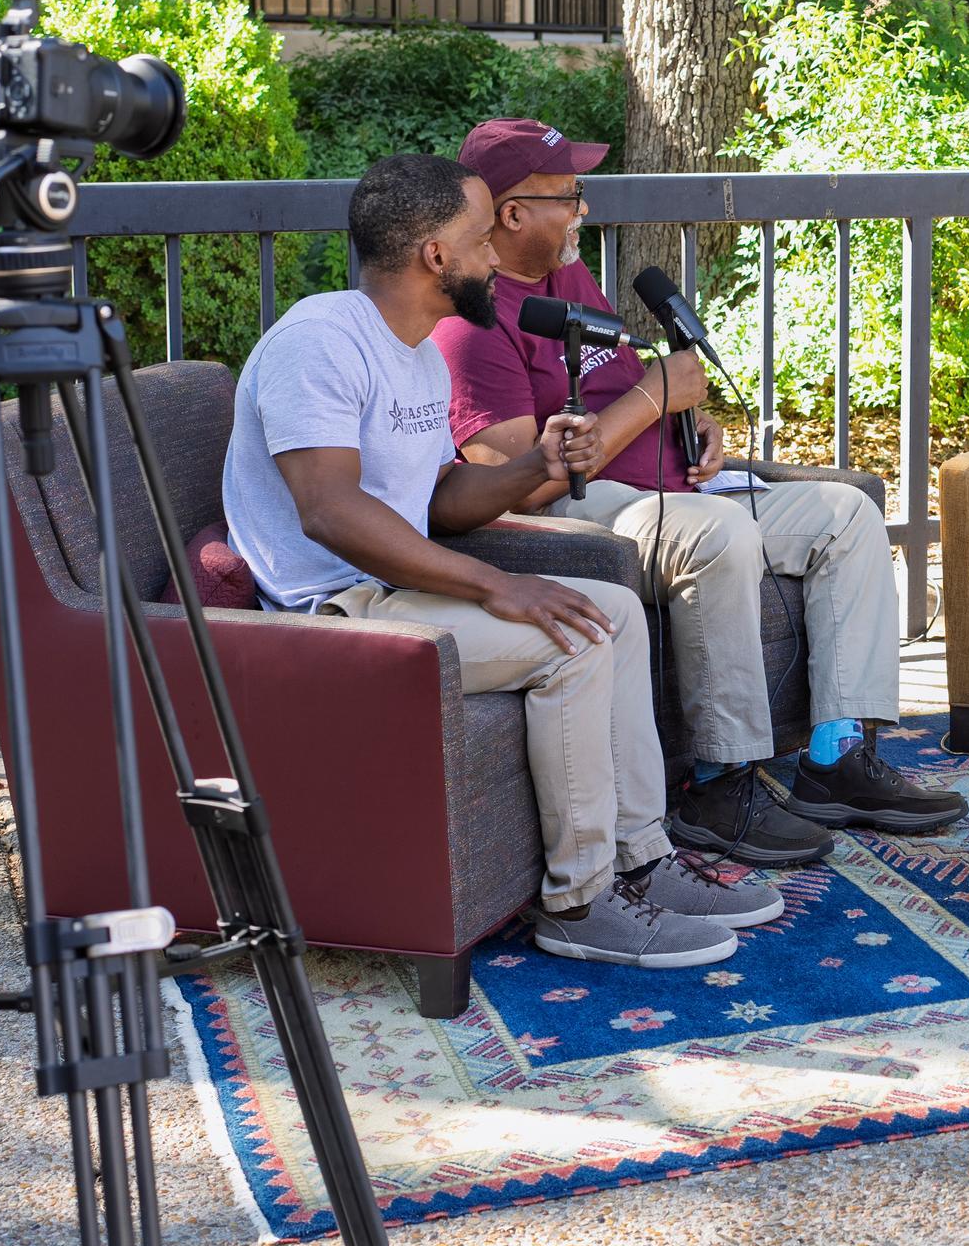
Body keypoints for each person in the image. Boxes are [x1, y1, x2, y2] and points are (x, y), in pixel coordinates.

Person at [221, 152, 785, 972]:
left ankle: (641, 860)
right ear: (435, 257)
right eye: (482, 239)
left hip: (391, 589)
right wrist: (499, 584)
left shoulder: (411, 350)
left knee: (611, 609)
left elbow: (438, 498)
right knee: (574, 637)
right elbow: (332, 511)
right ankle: (582, 903)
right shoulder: (318, 341)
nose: (495, 256)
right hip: (329, 615)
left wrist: (537, 468)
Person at [435, 117, 966, 868]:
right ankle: (720, 785)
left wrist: (694, 420)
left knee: (845, 511)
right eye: (570, 194)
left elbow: (624, 384)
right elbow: (514, 476)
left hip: (671, 485)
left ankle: (835, 757)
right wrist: (656, 399)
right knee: (713, 533)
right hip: (578, 510)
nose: (585, 208)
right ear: (512, 212)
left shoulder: (568, 281)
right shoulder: (474, 321)